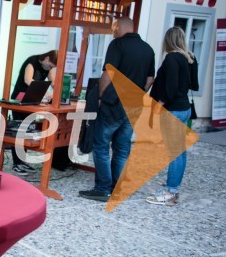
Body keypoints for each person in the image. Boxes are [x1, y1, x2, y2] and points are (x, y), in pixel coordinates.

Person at [79, 17, 154, 202]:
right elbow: (150, 79)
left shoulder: (117, 45)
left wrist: (99, 97)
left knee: (101, 144)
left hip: (114, 104)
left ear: (120, 27)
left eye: (113, 29)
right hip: (134, 106)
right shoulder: (148, 49)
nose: (112, 33)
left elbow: (108, 74)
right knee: (122, 147)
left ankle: (103, 188)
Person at [146, 27, 195, 205]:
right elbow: (194, 84)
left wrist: (159, 104)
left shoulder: (172, 58)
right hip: (183, 108)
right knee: (179, 152)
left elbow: (171, 87)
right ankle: (172, 188)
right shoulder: (187, 58)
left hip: (173, 110)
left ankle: (170, 191)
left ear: (168, 40)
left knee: (174, 153)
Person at [8, 50, 57, 175]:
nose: (51, 68)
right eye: (51, 65)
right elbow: (28, 80)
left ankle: (22, 160)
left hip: (32, 100)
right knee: (20, 130)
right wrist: (46, 93)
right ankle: (17, 163)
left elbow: (55, 83)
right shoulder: (32, 62)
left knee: (28, 130)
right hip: (19, 99)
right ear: (46, 58)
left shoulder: (48, 67)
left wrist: (57, 93)